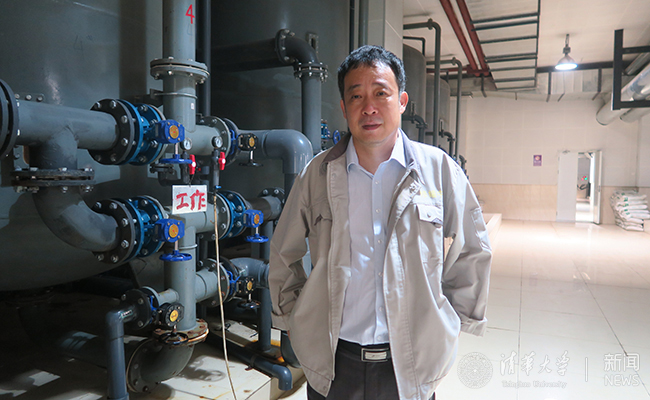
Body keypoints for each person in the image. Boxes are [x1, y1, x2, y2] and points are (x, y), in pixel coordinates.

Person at [268, 45, 492, 400]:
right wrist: (293, 318)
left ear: (402, 101)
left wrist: (451, 319)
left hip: (411, 366)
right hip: (334, 364)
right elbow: (284, 251)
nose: (368, 107)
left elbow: (473, 249)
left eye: (380, 93)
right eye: (356, 96)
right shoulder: (318, 174)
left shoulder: (439, 170)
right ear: (344, 108)